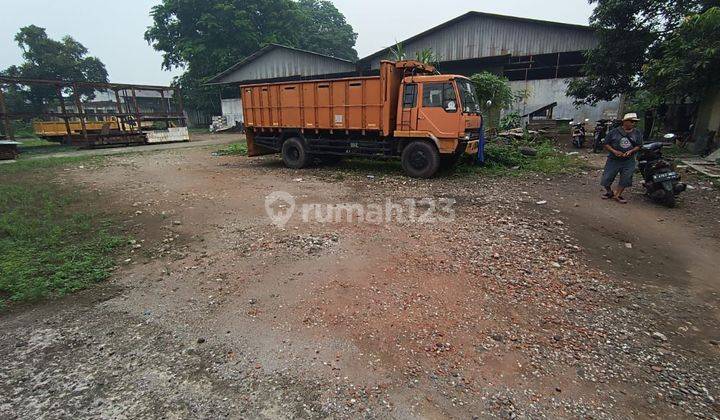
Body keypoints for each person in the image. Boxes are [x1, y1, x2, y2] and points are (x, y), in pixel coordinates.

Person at [600, 113, 643, 204]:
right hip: (614, 159)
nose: (633, 123)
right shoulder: (614, 132)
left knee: (626, 178)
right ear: (625, 122)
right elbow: (606, 143)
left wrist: (631, 151)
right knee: (606, 178)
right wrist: (614, 151)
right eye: (631, 121)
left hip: (628, 160)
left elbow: (639, 145)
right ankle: (609, 191)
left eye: (634, 122)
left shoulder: (637, 133)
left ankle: (618, 194)